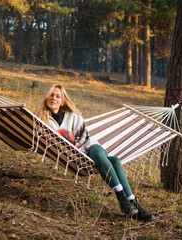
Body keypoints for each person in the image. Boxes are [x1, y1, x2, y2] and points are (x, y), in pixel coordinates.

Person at [36, 84, 154, 221]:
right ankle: (134, 205)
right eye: (51, 95)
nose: (53, 98)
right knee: (114, 161)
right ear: (46, 97)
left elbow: (83, 138)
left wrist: (80, 154)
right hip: (75, 156)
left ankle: (122, 198)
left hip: (89, 147)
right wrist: (75, 156)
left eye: (57, 96)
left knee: (98, 155)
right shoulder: (43, 121)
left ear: (62, 101)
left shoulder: (73, 116)